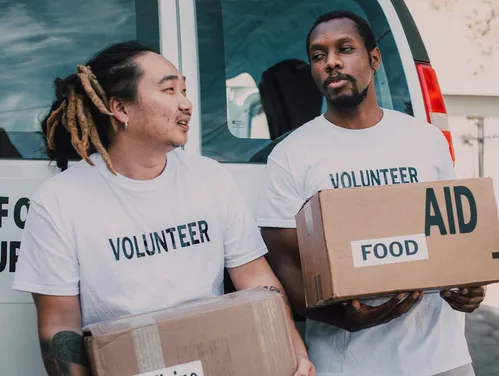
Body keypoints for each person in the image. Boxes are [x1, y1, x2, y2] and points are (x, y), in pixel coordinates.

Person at [12, 41, 315, 376]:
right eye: (169, 90)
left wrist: (295, 355)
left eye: (184, 90)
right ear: (121, 109)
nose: (186, 103)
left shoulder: (210, 178)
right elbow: (59, 325)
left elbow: (258, 280)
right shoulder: (59, 201)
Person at [257, 10, 487, 376]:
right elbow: (284, 264)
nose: (331, 62)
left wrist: (471, 288)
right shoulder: (291, 155)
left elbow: (450, 234)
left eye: (344, 49)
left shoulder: (425, 139)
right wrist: (340, 317)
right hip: (351, 363)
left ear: (374, 59)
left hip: (441, 357)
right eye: (318, 56)